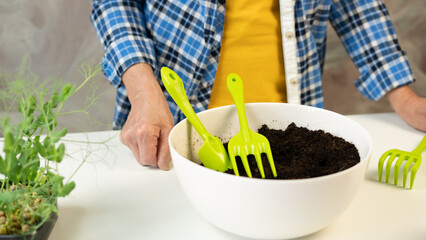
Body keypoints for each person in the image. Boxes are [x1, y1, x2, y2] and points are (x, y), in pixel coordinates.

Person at [90, 0, 426, 170]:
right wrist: (143, 92)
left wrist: (405, 98)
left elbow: (357, 7)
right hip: (171, 121)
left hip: (288, 132)